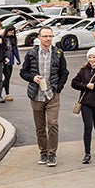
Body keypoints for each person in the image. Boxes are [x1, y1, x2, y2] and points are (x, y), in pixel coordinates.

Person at [19, 26, 68, 167]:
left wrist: (58, 87)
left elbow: (64, 72)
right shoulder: (32, 54)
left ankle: (52, 154)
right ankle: (43, 152)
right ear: (39, 38)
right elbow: (23, 72)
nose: (48, 39)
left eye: (50, 36)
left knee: (52, 124)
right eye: (45, 36)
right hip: (36, 95)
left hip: (52, 95)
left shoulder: (58, 53)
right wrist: (32, 77)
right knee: (40, 127)